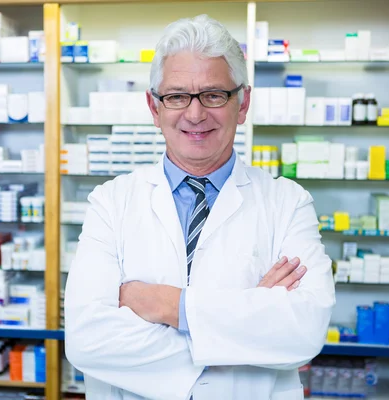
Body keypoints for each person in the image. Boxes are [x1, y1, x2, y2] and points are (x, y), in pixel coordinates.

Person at [64, 14, 336, 400]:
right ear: (154, 107)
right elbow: (86, 339)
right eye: (176, 96)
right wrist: (246, 325)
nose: (194, 114)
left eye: (213, 95)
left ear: (242, 104)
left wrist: (165, 304)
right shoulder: (110, 202)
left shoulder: (288, 203)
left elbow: (303, 331)